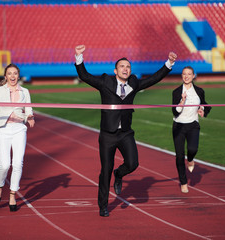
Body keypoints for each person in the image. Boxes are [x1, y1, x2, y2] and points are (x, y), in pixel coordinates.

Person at [74, 45, 177, 217]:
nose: (125, 69)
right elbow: (84, 76)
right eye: (122, 66)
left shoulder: (134, 83)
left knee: (133, 163)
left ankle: (119, 173)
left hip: (125, 133)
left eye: (128, 67)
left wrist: (169, 64)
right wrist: (79, 57)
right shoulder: (106, 81)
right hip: (108, 134)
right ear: (115, 70)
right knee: (105, 170)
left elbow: (153, 79)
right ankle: (103, 205)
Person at [0, 63, 35, 212]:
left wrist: (30, 117)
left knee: (18, 164)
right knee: (4, 165)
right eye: (10, 73)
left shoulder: (25, 91)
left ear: (18, 75)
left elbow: (29, 110)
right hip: (3, 130)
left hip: (19, 129)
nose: (12, 76)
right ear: (5, 76)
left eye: (15, 73)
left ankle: (12, 194)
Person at [172, 66, 211, 193]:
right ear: (182, 76)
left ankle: (190, 159)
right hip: (179, 126)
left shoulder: (199, 91)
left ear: (193, 76)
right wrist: (182, 102)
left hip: (193, 125)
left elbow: (205, 104)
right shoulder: (176, 92)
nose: (186, 76)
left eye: (189, 74)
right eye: (184, 74)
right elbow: (175, 111)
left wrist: (203, 110)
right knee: (179, 156)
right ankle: (183, 182)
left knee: (193, 149)